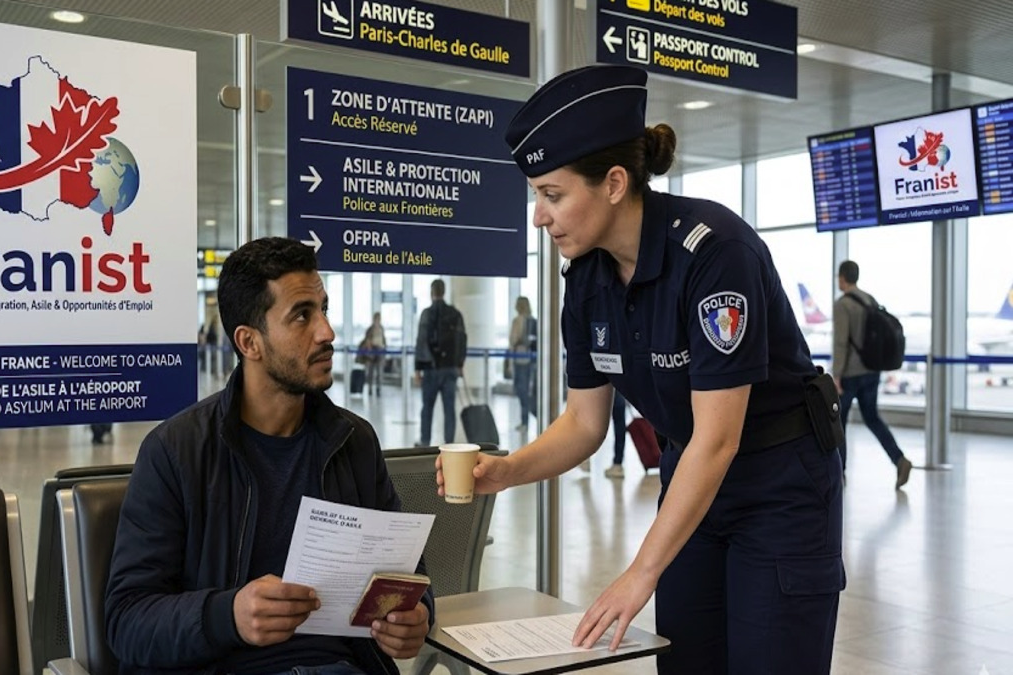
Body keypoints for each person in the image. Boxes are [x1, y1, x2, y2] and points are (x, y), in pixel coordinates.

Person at [440, 65, 845, 674]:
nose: (538, 216)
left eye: (552, 195)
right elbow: (584, 423)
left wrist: (639, 573)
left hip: (778, 484)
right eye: (536, 197)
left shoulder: (714, 255)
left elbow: (720, 436)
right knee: (687, 661)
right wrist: (507, 472)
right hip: (692, 480)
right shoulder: (586, 282)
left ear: (613, 183)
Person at [105, 237, 432, 674]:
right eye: (302, 315)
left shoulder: (353, 441)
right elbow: (127, 620)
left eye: (324, 309)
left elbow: (406, 575)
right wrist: (228, 616)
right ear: (249, 342)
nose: (327, 332)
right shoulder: (176, 452)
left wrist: (416, 617)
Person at [832, 260, 914, 489]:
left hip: (850, 374)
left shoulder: (843, 305)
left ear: (842, 278)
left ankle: (839, 473)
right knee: (873, 418)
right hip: (872, 371)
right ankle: (899, 459)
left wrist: (836, 376)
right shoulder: (870, 300)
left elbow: (841, 343)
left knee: (839, 423)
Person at [414, 279, 466, 447]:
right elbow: (462, 339)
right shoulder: (455, 314)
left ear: (432, 292)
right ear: (444, 292)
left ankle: (425, 442)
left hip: (431, 368)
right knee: (449, 409)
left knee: (427, 407)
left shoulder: (427, 314)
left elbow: (421, 341)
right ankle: (449, 444)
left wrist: (418, 368)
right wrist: (460, 363)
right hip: (450, 368)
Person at [508, 296, 537, 431]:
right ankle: (527, 417)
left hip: (525, 360)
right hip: (518, 359)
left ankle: (528, 417)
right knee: (520, 390)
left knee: (523, 390)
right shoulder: (518, 321)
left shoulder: (530, 322)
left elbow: (515, 340)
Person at [357, 312, 387, 396]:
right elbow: (367, 341)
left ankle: (378, 389)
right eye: (376, 318)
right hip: (371, 353)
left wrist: (384, 348)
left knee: (379, 372)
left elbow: (383, 340)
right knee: (370, 372)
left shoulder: (381, 328)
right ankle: (370, 388)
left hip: (380, 352)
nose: (378, 320)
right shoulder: (370, 329)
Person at [605, 391, 627, 478]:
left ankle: (585, 458)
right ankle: (618, 463)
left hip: (607, 389)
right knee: (620, 426)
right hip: (619, 391)